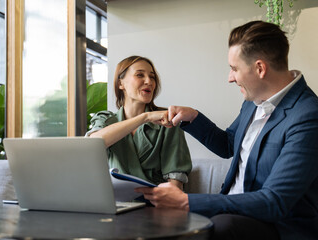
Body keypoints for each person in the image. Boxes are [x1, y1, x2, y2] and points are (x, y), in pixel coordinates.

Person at [135, 21, 318, 240]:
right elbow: (229, 144)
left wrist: (186, 201)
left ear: (260, 68)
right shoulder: (254, 99)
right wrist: (193, 117)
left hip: (278, 227)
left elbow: (275, 201)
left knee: (221, 226)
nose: (230, 77)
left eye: (234, 69)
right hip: (234, 215)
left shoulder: (308, 116)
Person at [88, 56, 192, 189]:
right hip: (114, 201)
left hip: (154, 202)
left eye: (152, 77)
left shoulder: (167, 121)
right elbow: (95, 143)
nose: (149, 81)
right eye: (140, 75)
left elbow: (175, 180)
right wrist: (145, 117)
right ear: (121, 83)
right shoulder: (105, 119)